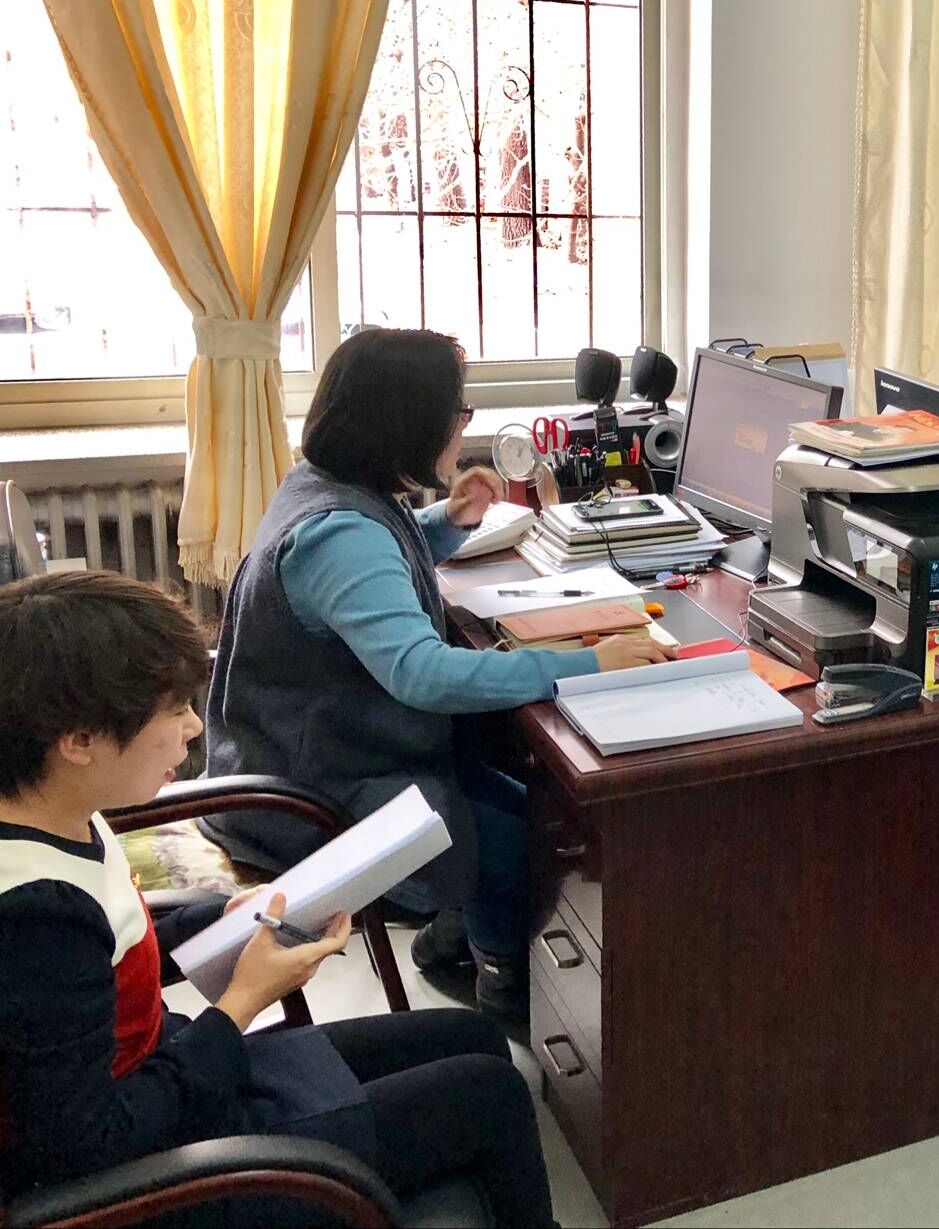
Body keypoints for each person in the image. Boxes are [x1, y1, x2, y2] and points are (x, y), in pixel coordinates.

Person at [0, 572, 555, 1223]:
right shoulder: (35, 918)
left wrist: (223, 917)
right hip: (156, 1176)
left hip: (170, 1077)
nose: (192, 726)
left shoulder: (59, 808)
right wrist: (242, 1003)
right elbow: (90, 1146)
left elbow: (111, 945)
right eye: (171, 710)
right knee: (491, 1094)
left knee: (474, 1036)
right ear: (79, 741)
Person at [199, 329, 673, 1018]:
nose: (463, 425)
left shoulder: (327, 485)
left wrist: (446, 521)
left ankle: (456, 936)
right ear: (410, 424)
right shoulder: (339, 533)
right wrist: (587, 664)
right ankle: (501, 982)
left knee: (526, 798)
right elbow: (421, 673)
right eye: (459, 412)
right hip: (312, 790)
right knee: (528, 839)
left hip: (325, 752)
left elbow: (379, 564)